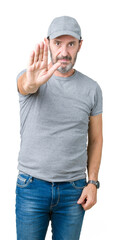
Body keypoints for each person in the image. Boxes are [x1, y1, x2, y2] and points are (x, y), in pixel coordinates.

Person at [15, 16, 103, 240]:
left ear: (80, 45)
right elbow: (25, 85)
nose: (64, 52)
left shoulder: (92, 89)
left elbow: (95, 139)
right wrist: (32, 83)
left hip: (73, 191)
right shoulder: (31, 78)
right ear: (48, 43)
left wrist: (92, 183)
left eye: (71, 44)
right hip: (32, 187)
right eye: (58, 43)